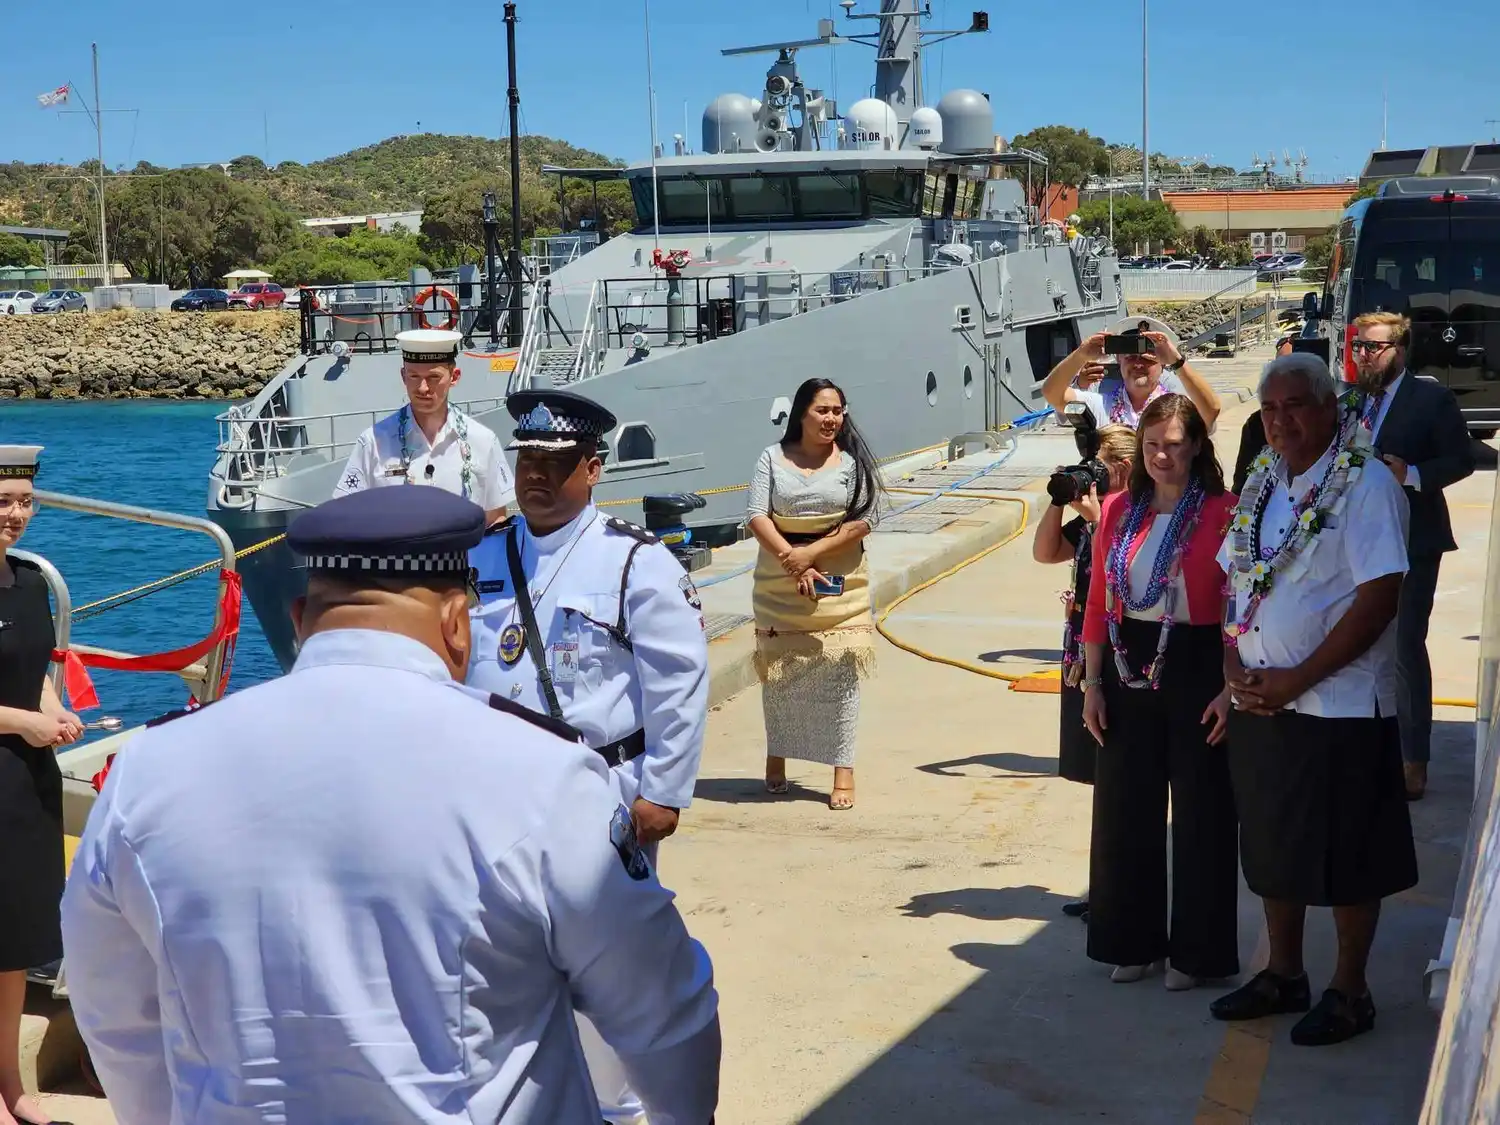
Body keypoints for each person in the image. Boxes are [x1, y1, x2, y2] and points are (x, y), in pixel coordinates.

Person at [60, 485, 721, 1125]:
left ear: (299, 619)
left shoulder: (148, 771)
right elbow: (661, 1005)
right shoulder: (545, 773)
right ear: (457, 624)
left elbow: (113, 1011)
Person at [464, 388, 708, 1125]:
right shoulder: (481, 554)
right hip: (500, 792)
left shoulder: (634, 560)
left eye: (556, 463)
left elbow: (678, 679)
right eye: (527, 461)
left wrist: (664, 791)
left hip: (601, 791)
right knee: (503, 952)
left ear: (592, 469)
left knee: (605, 963)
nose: (536, 475)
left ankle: (614, 1106)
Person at [1212, 353, 1417, 1046]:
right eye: (1270, 409)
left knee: (1350, 854)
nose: (1281, 420)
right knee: (1273, 844)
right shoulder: (1262, 480)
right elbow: (1234, 583)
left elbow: (1379, 598)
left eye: (1295, 405)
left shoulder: (1366, 485)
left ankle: (1350, 991)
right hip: (1261, 702)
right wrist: (1232, 665)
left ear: (1330, 407)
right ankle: (1284, 973)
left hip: (1340, 709)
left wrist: (1298, 678)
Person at [1080, 395, 1240, 990]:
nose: (1161, 456)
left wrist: (1230, 686)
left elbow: (1241, 607)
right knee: (1124, 809)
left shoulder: (1225, 511)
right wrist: (1092, 684)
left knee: (1202, 813)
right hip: (1128, 662)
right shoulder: (1119, 508)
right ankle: (1132, 940)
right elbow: (1097, 602)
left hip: (1199, 661)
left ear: (1196, 445)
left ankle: (1198, 953)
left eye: (1173, 444)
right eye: (1151, 445)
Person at [1347, 312, 1474, 800]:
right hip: (1356, 541)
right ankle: (1365, 750)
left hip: (1412, 541)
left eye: (1373, 347)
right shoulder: (1351, 401)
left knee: (1403, 649)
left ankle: (1412, 759)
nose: (1364, 356)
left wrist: (1412, 475)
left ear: (1399, 350)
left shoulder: (1430, 399)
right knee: (1356, 645)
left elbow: (1461, 460)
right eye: (1359, 346)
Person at [746, 378, 885, 811]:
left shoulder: (851, 463)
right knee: (781, 676)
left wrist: (812, 554)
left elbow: (865, 519)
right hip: (780, 579)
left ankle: (843, 769)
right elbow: (756, 515)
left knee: (842, 675)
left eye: (837, 411)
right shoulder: (771, 457)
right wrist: (793, 560)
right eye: (822, 410)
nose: (831, 419)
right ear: (802, 413)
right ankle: (777, 756)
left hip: (841, 579)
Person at [0, 446, 82, 1125]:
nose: (16, 514)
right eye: (3, 501)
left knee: (13, 946)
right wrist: (24, 721)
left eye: (25, 502)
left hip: (27, 784)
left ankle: (10, 1088)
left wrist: (52, 711)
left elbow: (37, 673)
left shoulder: (29, 582)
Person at [1030, 422, 1136, 924]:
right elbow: (1045, 552)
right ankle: (1105, 890)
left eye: (1101, 466)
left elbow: (1123, 572)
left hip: (1118, 656)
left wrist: (1099, 520)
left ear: (1125, 468)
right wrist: (1059, 498)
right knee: (1099, 779)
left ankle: (1119, 893)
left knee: (1120, 782)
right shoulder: (1095, 514)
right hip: (1082, 656)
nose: (1093, 475)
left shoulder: (1135, 514)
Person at [332, 328, 515, 524]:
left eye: (433, 377)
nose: (422, 388)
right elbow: (347, 516)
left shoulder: (483, 441)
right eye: (414, 376)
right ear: (403, 376)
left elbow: (496, 519)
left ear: (454, 377)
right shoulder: (373, 443)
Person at [1042, 315, 1223, 432]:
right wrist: (1081, 355)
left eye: (1148, 358)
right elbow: (1053, 394)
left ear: (1163, 363)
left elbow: (1211, 410)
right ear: (1118, 359)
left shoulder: (1178, 409)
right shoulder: (1102, 406)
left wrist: (1177, 361)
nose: (1138, 364)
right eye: (1130, 357)